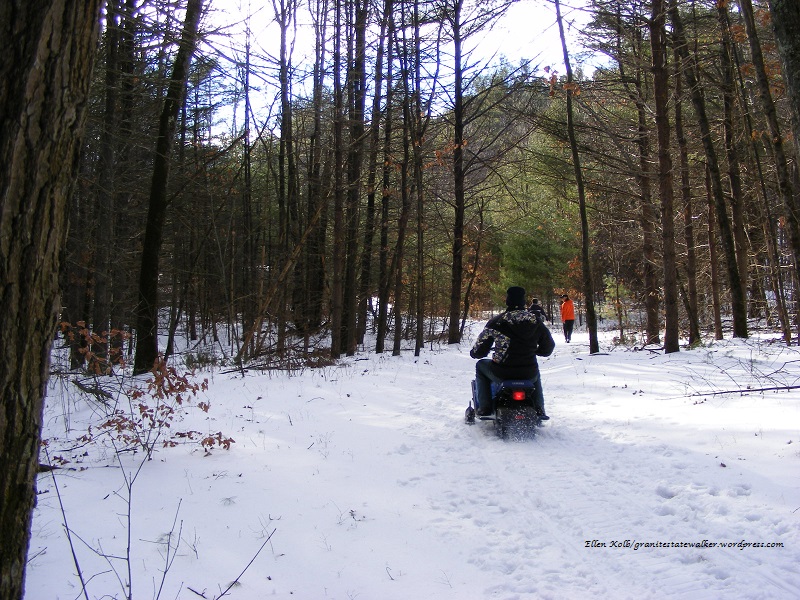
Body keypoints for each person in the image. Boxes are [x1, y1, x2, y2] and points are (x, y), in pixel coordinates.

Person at [470, 286, 555, 418]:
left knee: (480, 365)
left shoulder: (496, 322)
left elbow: (480, 350)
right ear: (523, 301)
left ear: (507, 301)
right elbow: (548, 347)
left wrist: (474, 353)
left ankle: (485, 407)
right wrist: (537, 351)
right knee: (535, 370)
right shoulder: (535, 321)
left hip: (501, 373)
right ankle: (539, 408)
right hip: (528, 374)